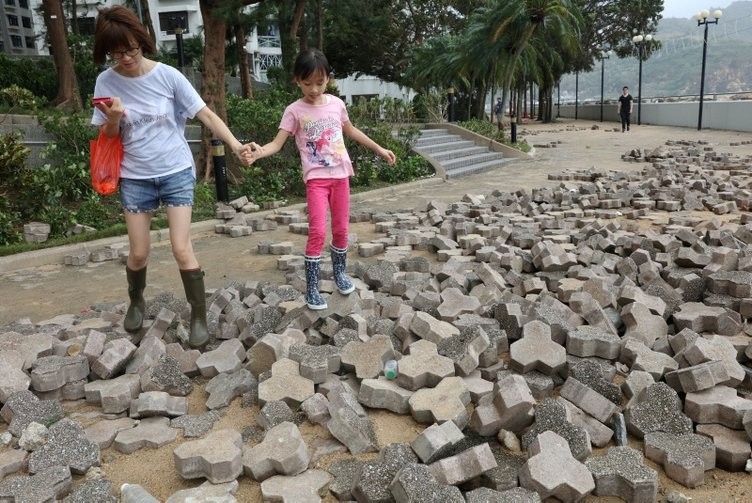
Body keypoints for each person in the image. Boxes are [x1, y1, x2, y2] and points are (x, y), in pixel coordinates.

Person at [90, 5, 253, 348]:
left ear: (142, 41)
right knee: (138, 253)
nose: (125, 57)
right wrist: (116, 118)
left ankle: (198, 315)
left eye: (131, 48)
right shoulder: (106, 81)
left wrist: (236, 145)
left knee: (181, 248)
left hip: (176, 171)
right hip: (135, 177)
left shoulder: (168, 76)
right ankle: (136, 301)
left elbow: (205, 114)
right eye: (116, 52)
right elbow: (106, 137)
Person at [249, 48, 396, 310]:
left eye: (320, 82)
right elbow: (276, 143)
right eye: (307, 83)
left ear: (328, 79)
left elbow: (351, 131)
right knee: (317, 231)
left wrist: (379, 149)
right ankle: (313, 288)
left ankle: (340, 274)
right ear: (297, 80)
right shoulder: (294, 110)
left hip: (341, 177)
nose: (314, 89)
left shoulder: (337, 105)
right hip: (316, 179)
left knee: (341, 230)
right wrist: (259, 153)